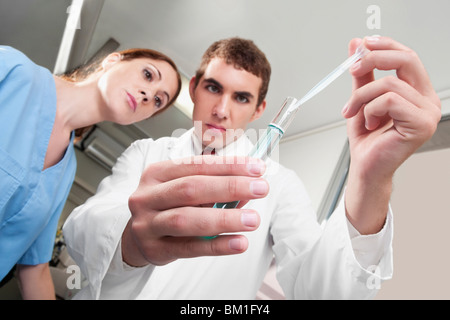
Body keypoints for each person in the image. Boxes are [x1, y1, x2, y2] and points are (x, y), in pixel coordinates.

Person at [63, 36, 441, 299]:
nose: (222, 110)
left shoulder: (278, 184)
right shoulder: (147, 152)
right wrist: (131, 242)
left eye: (241, 97)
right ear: (193, 87)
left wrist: (369, 177)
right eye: (213, 88)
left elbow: (322, 292)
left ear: (260, 109)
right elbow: (81, 232)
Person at [0, 45, 182, 299]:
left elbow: (34, 268)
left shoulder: (64, 173)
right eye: (148, 75)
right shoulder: (12, 71)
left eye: (157, 100)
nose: (147, 94)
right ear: (111, 60)